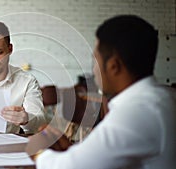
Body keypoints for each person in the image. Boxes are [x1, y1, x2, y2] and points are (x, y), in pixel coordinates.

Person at [26, 15, 176, 169]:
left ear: (113, 66)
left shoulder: (138, 111)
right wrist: (71, 151)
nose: (93, 70)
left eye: (95, 60)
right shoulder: (162, 98)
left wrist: (38, 151)